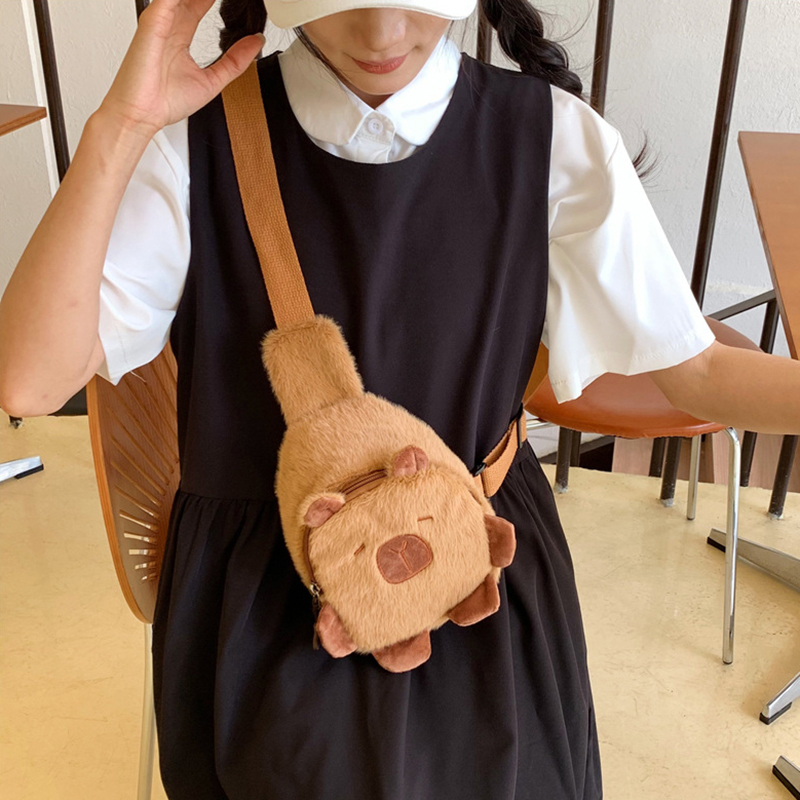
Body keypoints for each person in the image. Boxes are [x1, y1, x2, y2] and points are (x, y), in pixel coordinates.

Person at [0, 1, 798, 797]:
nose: (382, 32)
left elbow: (697, 374)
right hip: (270, 609)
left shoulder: (553, 138)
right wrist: (119, 129)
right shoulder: (190, 142)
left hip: (479, 583)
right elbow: (31, 380)